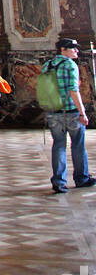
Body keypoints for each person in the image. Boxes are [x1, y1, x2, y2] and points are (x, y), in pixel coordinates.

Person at [41, 37, 95, 193]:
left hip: (53, 111)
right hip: (71, 112)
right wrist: (82, 112)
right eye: (73, 48)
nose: (76, 50)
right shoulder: (70, 65)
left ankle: (58, 181)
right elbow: (73, 91)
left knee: (58, 146)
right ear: (63, 50)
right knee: (78, 145)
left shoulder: (47, 65)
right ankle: (82, 178)